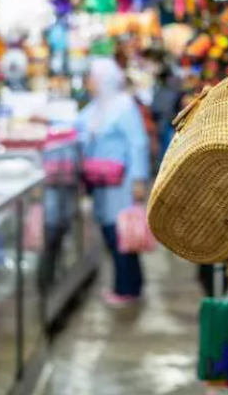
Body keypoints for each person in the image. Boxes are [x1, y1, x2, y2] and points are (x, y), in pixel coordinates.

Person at [78, 57, 150, 307]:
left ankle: (127, 289)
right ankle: (131, 285)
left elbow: (138, 144)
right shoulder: (96, 108)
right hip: (101, 183)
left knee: (122, 234)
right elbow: (76, 126)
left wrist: (138, 180)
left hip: (122, 184)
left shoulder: (124, 107)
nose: (88, 82)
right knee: (114, 234)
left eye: (92, 78)